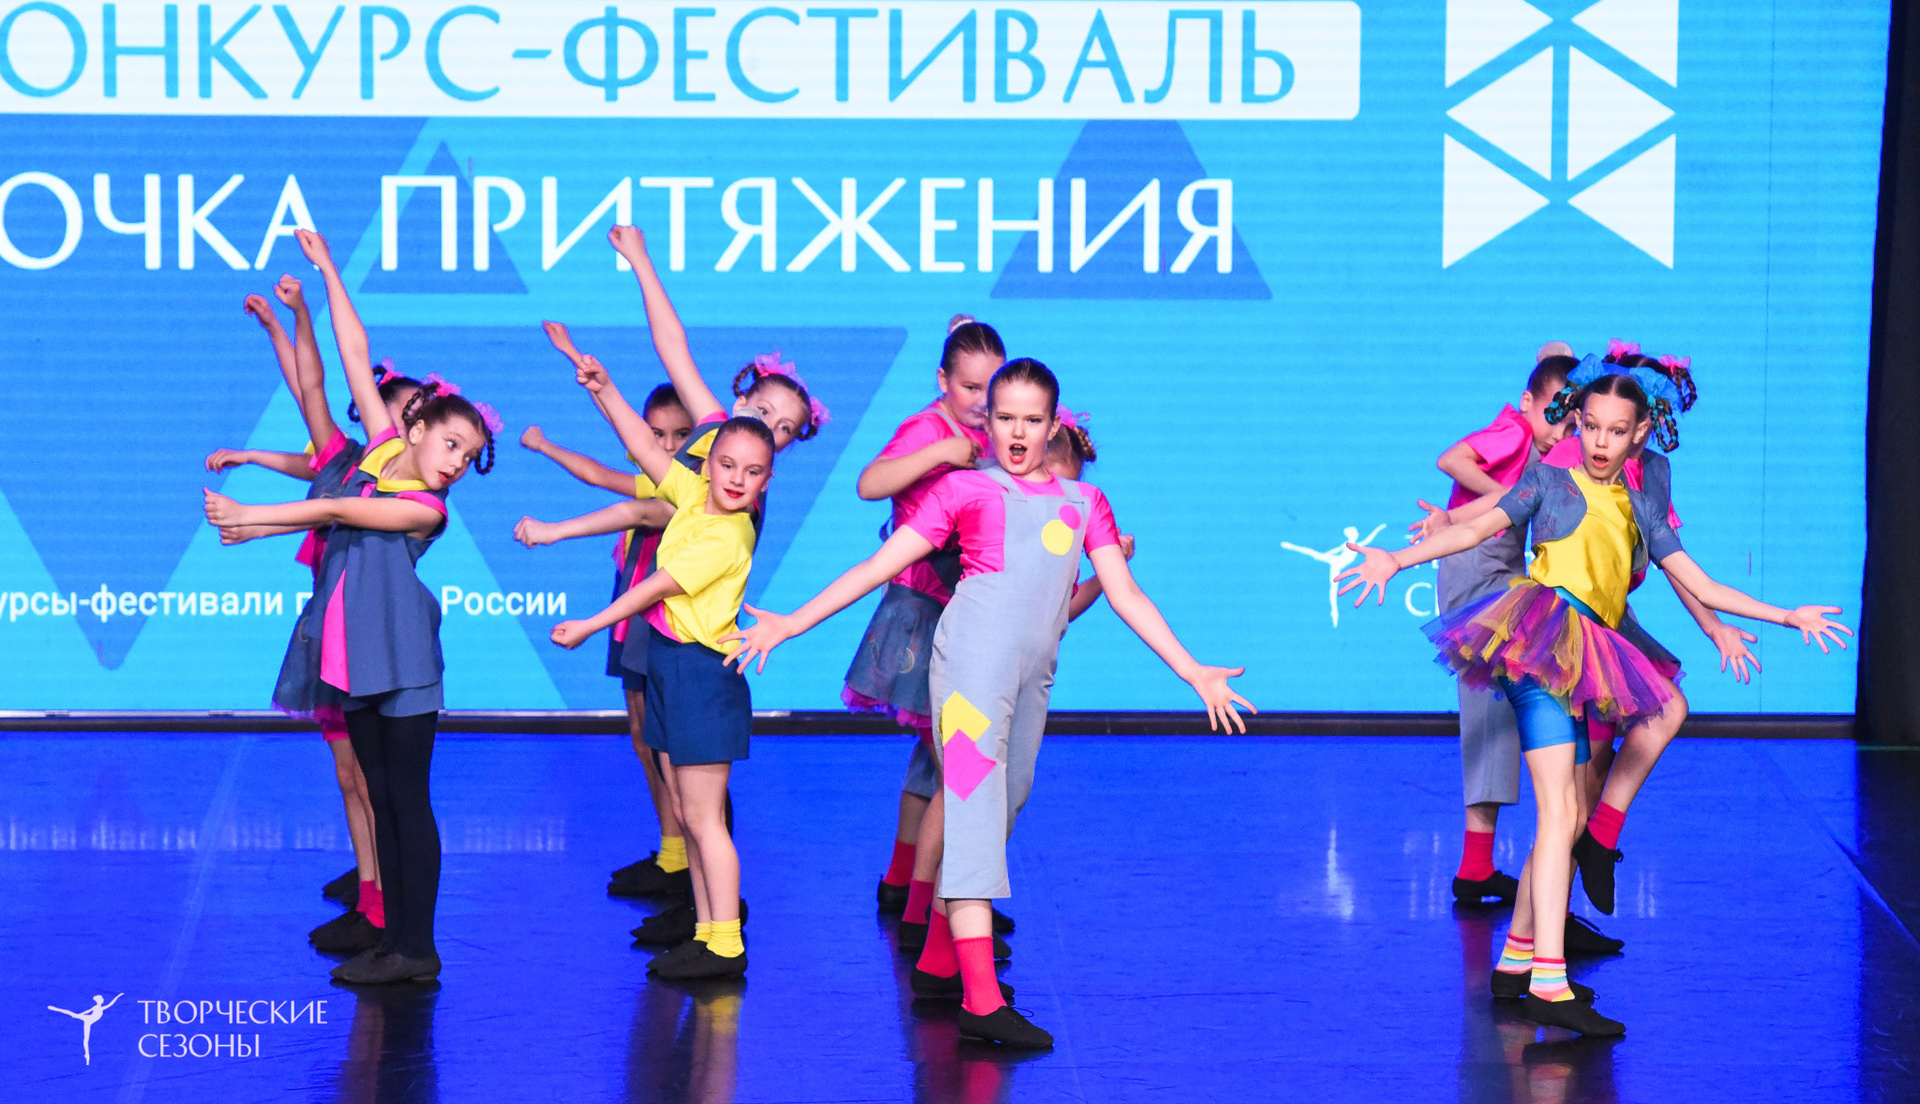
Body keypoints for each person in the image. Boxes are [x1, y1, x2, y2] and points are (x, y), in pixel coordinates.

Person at [723, 358, 1252, 1047]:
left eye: (1032, 420)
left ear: (1054, 425)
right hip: (969, 668)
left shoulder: (1084, 503)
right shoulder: (966, 489)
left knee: (1006, 802)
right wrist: (792, 623)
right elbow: (879, 566)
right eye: (1005, 418)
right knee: (972, 811)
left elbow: (1124, 593)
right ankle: (980, 1000)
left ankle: (941, 960)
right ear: (988, 422)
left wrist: (1192, 671)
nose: (1018, 432)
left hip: (1033, 675)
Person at [1338, 364, 1851, 1035]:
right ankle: (1550, 985)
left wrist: (1786, 616)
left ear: (1639, 435)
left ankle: (1516, 960)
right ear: (1577, 424)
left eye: (1617, 431)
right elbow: (1475, 529)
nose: (1602, 442)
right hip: (1540, 641)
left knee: (1571, 812)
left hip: (1585, 655)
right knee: (1560, 812)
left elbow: (1701, 584)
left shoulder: (1641, 508)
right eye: (1591, 427)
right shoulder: (1548, 481)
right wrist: (1395, 560)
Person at [204, 228, 500, 985]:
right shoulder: (380, 450)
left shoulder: (425, 509)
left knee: (407, 803)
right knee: (379, 798)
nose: (457, 463)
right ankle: (391, 937)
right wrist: (330, 269)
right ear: (417, 427)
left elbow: (337, 510)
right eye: (452, 444)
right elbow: (352, 351)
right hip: (353, 658)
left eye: (469, 457)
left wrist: (253, 517)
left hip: (403, 666)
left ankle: (417, 950)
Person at [549, 339, 774, 981]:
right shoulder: (695, 493)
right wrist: (602, 387)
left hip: (702, 675)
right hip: (674, 665)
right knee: (687, 812)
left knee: (704, 818)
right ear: (710, 462)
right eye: (726, 464)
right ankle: (706, 932)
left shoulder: (727, 533)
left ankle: (725, 944)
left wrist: (591, 624)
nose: (735, 478)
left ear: (765, 481)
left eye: (751, 471)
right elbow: (647, 450)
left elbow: (655, 586)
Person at [844, 314, 1002, 937]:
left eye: (991, 389)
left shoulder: (995, 432)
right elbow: (869, 483)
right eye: (969, 387)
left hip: (962, 609)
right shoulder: (928, 428)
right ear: (943, 381)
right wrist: (940, 452)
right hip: (919, 612)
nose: (981, 401)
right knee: (958, 768)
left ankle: (903, 881)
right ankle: (933, 909)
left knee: (936, 761)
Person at [518, 387, 698, 900]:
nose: (668, 446)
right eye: (656, 434)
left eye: (681, 434)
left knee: (667, 744)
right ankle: (672, 853)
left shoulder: (693, 493)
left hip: (664, 616)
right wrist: (547, 446)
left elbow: (634, 513)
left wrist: (554, 531)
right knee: (643, 735)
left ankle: (687, 868)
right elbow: (597, 474)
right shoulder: (654, 479)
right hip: (631, 610)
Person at [1424, 352, 1574, 906]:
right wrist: (1499, 498)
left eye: (1571, 422)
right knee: (1500, 703)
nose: (1561, 431)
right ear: (1528, 403)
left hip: (1500, 573)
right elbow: (1452, 459)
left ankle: (1477, 867)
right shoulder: (1514, 431)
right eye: (1553, 416)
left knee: (1497, 714)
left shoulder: (1543, 446)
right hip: (1479, 574)